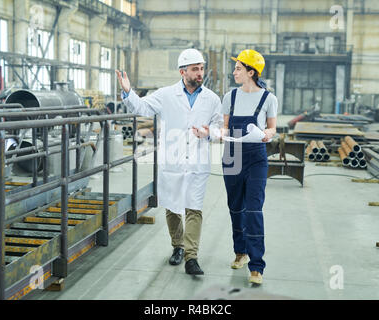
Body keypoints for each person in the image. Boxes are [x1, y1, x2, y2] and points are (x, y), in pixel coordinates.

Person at [116, 48, 223, 276]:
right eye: (195, 69)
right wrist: (128, 92)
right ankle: (178, 246)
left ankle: (191, 257)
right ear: (183, 71)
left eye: (201, 68)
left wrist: (208, 132)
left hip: (197, 163)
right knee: (173, 207)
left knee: (194, 208)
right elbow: (142, 107)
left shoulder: (212, 99)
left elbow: (219, 127)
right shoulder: (165, 95)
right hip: (172, 162)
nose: (200, 73)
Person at [221, 49, 278, 285]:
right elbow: (224, 128)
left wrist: (265, 134)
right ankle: (240, 253)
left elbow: (273, 128)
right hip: (232, 156)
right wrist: (215, 133)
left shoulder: (268, 98)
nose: (234, 72)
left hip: (256, 157)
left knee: (254, 209)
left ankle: (256, 266)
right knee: (236, 207)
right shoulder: (229, 97)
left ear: (251, 72)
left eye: (238, 68)